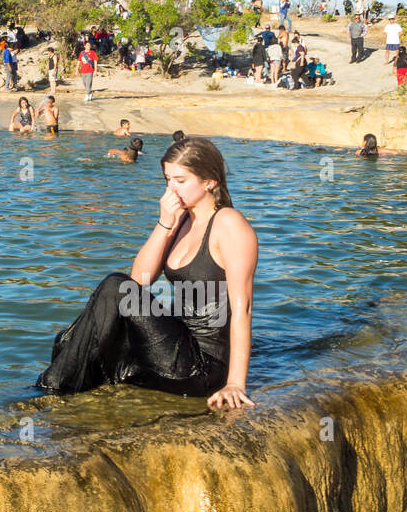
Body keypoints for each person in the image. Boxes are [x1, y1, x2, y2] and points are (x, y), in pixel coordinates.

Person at [37, 136, 257, 409]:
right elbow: (140, 280)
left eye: (180, 180)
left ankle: (53, 390)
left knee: (115, 287)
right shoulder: (182, 218)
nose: (170, 189)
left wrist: (235, 383)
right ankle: (64, 391)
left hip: (202, 366)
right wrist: (165, 223)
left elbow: (242, 307)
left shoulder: (229, 224)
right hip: (175, 346)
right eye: (167, 180)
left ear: (209, 181)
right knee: (71, 341)